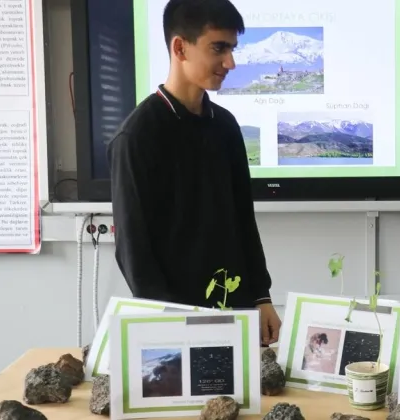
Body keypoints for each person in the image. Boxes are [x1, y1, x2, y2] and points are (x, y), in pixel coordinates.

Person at [107, 0, 282, 345]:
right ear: (180, 47)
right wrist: (172, 328)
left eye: (232, 49)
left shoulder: (227, 126)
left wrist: (261, 296)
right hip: (176, 323)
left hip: (237, 310)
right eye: (218, 48)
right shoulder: (137, 136)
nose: (230, 62)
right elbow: (134, 251)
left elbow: (243, 221)